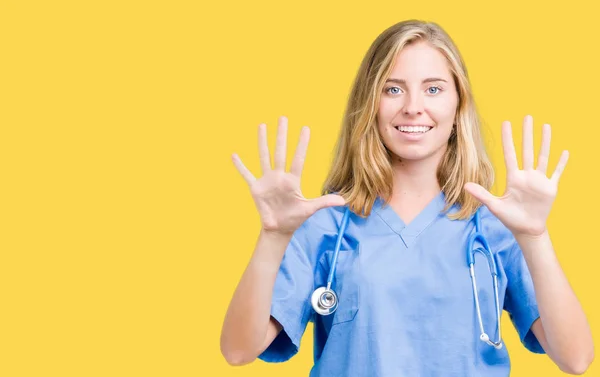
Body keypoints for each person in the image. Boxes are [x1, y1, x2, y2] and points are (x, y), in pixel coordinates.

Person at [219, 20, 594, 376]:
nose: (413, 106)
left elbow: (575, 358)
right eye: (393, 89)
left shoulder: (496, 225)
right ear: (370, 103)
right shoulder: (326, 223)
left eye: (433, 89)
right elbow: (239, 349)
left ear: (458, 104)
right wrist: (272, 235)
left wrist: (534, 237)